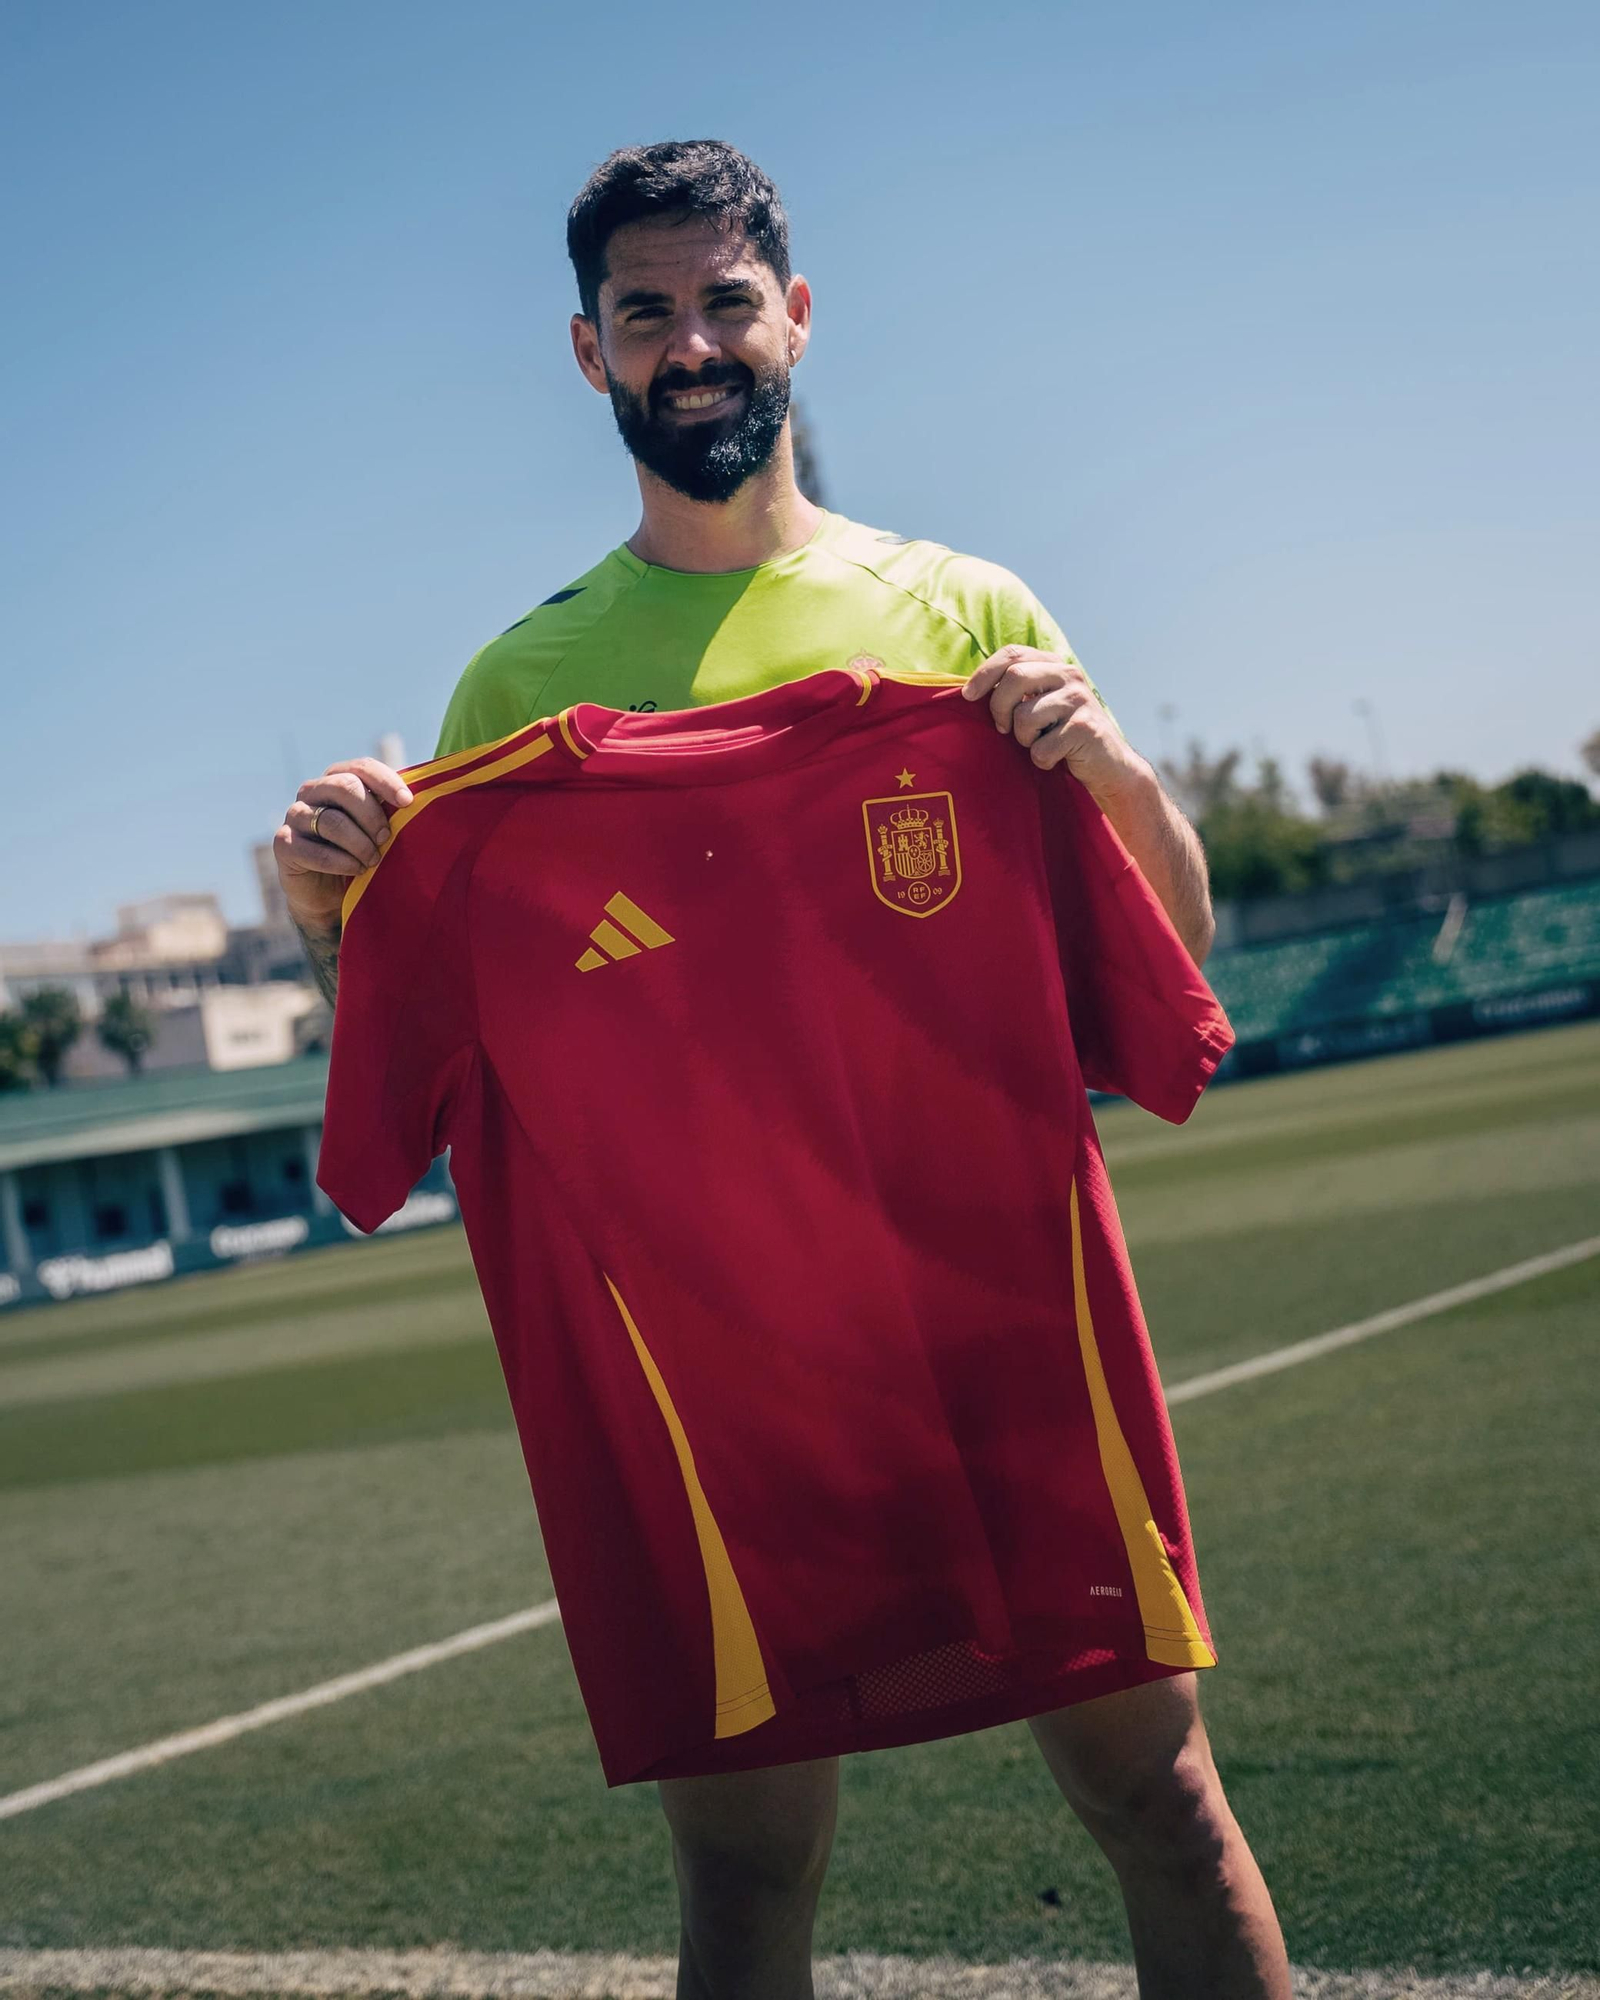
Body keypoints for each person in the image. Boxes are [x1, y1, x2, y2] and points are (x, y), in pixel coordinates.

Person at [275, 140, 1290, 2000]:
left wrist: (1116, 776)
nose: (691, 346)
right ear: (587, 355)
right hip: (711, 1366)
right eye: (644, 314)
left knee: (1165, 1805)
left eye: (723, 302)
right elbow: (434, 1040)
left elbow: (1175, 953)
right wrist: (324, 903)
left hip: (999, 1311)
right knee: (745, 1882)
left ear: (794, 318)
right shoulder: (523, 694)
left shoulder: (964, 612)